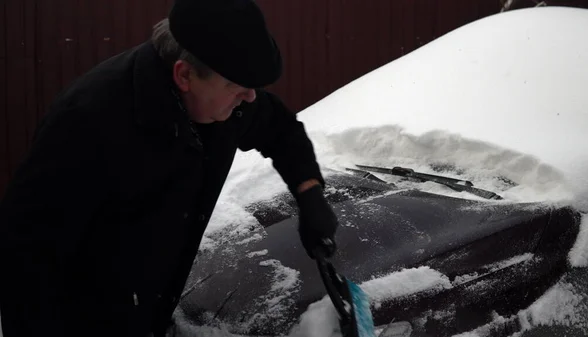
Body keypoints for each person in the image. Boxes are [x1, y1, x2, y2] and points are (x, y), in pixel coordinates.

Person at [0, 0, 339, 336]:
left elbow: (281, 130)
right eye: (237, 86)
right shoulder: (87, 123)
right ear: (184, 74)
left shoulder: (224, 101)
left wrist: (309, 194)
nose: (250, 97)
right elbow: (26, 259)